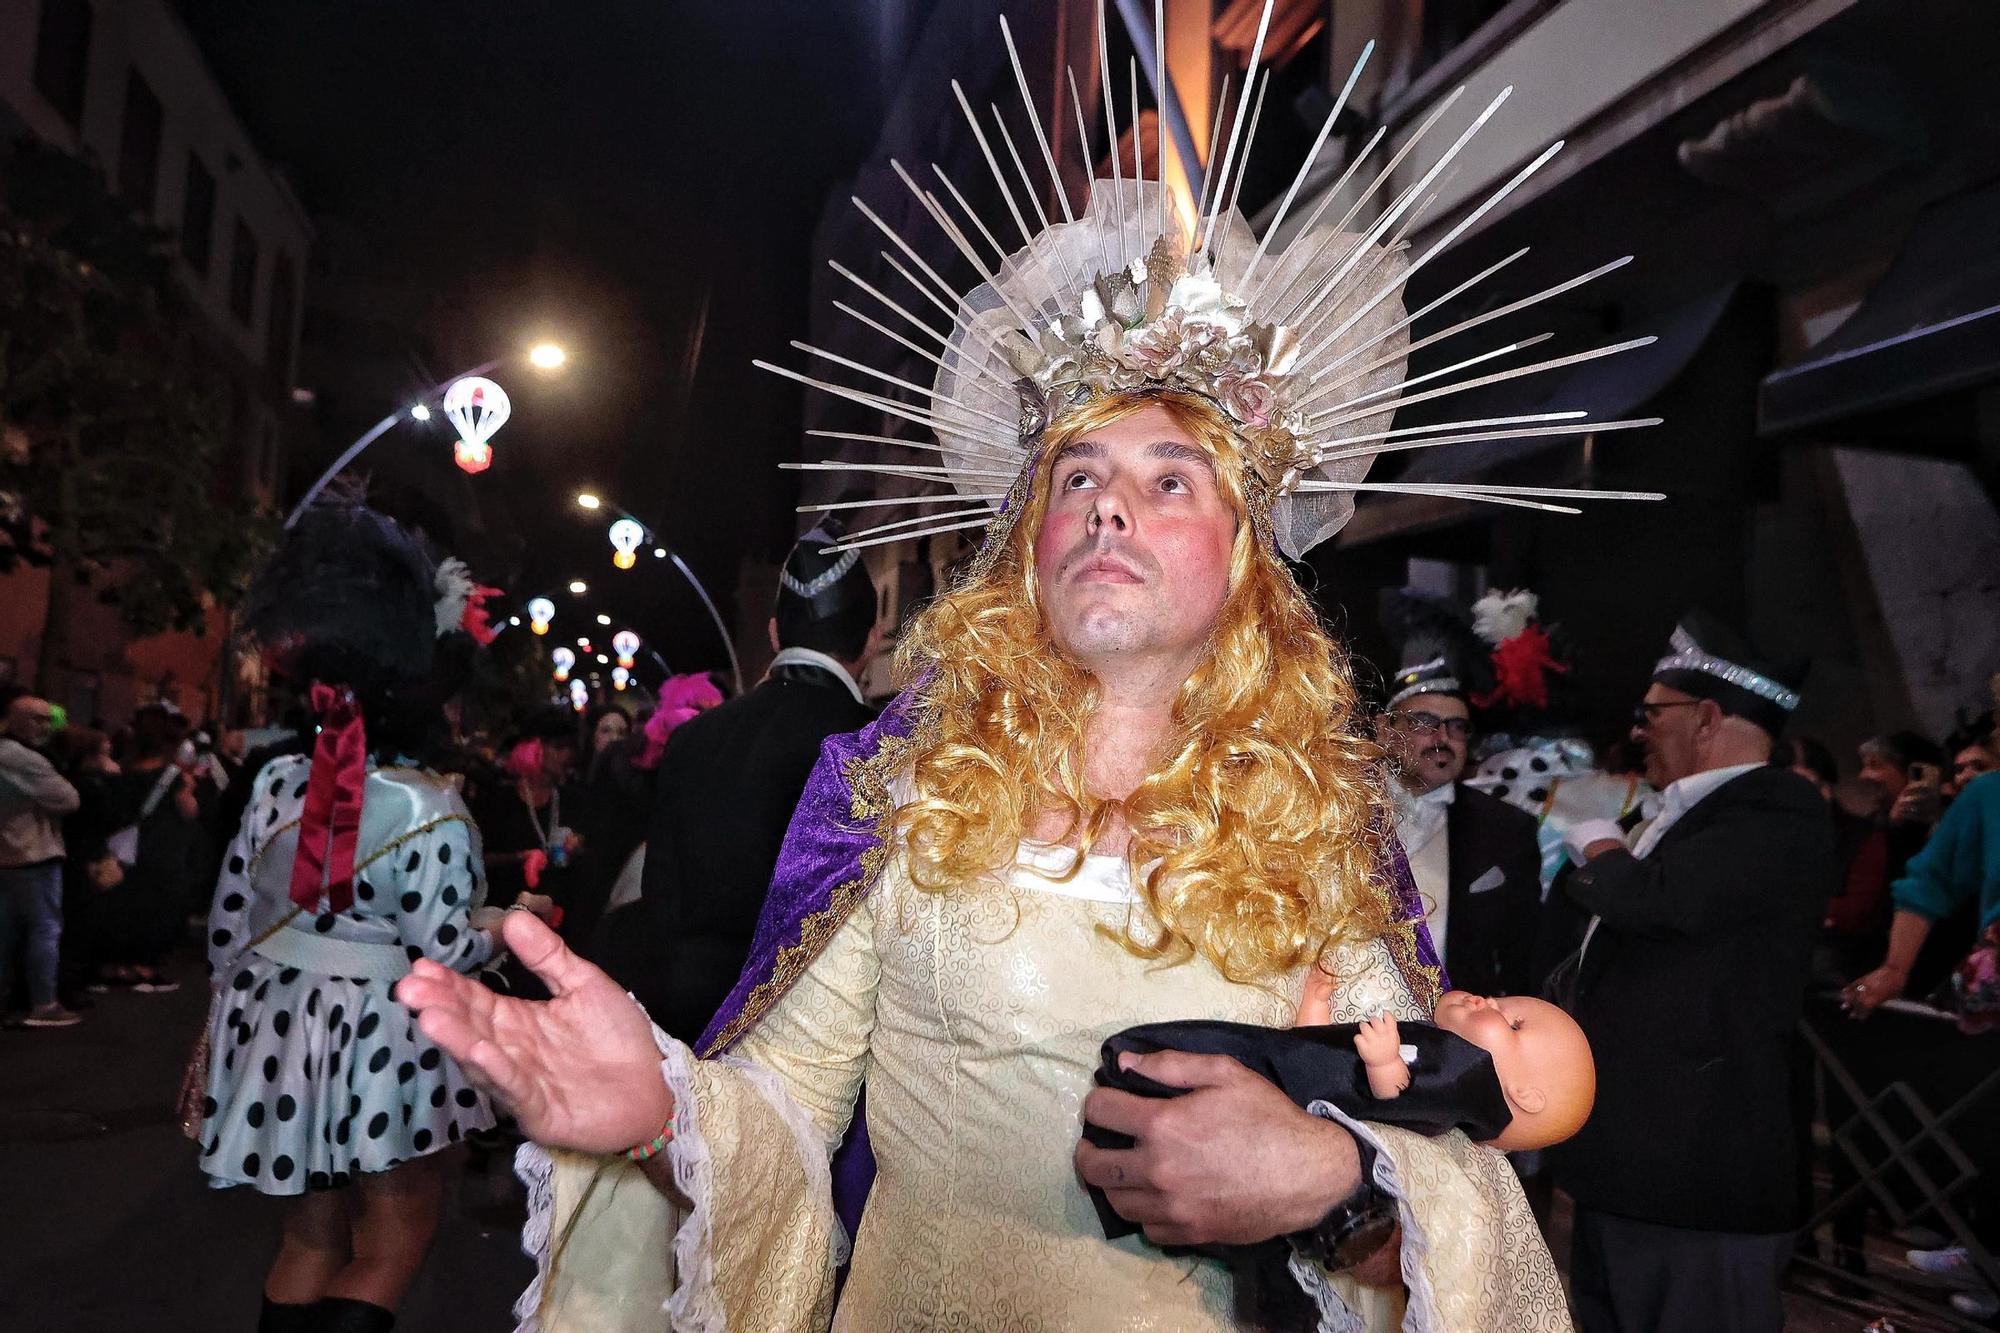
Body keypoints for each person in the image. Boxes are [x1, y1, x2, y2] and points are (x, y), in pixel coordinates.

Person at [393, 19, 1644, 1324]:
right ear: (1031, 544)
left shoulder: (1321, 821)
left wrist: (1336, 1171)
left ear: (1245, 561)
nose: (1112, 508)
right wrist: (658, 1106)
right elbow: (781, 1108)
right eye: (1079, 477)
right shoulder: (897, 779)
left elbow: (1448, 1137)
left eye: (1170, 481)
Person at [196, 498, 553, 1333]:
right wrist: (513, 917)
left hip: (278, 1026)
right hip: (380, 1042)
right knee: (395, 1236)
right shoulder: (432, 808)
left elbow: (228, 923)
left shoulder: (278, 783)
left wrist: (220, 1019)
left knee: (309, 1239)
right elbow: (447, 946)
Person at [1548, 613, 1834, 1333]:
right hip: (1629, 1166)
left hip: (1699, 1176)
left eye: (1653, 712)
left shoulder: (1776, 807)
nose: (1638, 728)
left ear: (1707, 718)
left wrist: (1599, 846)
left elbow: (1660, 902)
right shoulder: (1682, 813)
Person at [607, 521, 881, 1039]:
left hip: (686, 1023)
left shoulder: (693, 739)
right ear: (871, 640)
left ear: (775, 632)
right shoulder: (873, 744)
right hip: (808, 1037)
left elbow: (660, 899)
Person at [1375, 591, 1544, 997]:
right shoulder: (1331, 809)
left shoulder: (1507, 828)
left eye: (1457, 728)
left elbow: (1522, 956)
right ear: (1383, 730)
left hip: (1451, 1036)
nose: (1442, 739)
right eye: (1424, 722)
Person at [87, 702, 202, 993]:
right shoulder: (174, 777)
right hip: (161, 851)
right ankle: (143, 967)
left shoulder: (121, 771)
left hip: (122, 852)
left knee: (119, 905)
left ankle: (114, 965)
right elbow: (189, 812)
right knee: (156, 908)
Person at [0, 686, 83, 1027]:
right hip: (33, 853)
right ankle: (44, 1003)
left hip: (8, 853)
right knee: (45, 928)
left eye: (48, 720)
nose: (45, 727)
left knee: (6, 932)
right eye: (37, 719)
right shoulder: (24, 759)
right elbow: (68, 799)